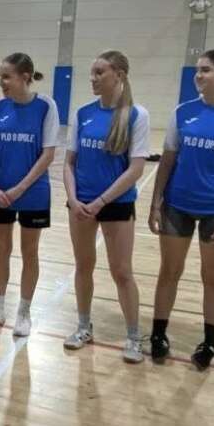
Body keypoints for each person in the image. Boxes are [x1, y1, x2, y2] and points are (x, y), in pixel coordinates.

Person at [147, 48, 214, 370]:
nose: (199, 76)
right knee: (169, 271)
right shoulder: (183, 112)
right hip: (177, 205)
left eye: (206, 70)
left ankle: (210, 343)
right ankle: (158, 335)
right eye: (198, 70)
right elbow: (167, 161)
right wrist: (155, 203)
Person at [63, 50, 150, 363]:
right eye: (92, 72)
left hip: (116, 204)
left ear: (119, 75)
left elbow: (136, 169)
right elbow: (69, 162)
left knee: (122, 271)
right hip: (81, 204)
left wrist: (101, 201)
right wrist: (74, 199)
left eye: (100, 72)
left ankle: (133, 337)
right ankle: (83, 326)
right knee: (83, 266)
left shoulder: (137, 115)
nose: (93, 78)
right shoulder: (82, 113)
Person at [0, 53, 59, 337]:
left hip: (33, 193)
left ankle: (24, 313)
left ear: (25, 77)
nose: (1, 82)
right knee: (1, 251)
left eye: (6, 77)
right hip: (0, 192)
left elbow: (47, 154)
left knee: (30, 252)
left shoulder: (46, 106)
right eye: (0, 76)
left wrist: (19, 189)